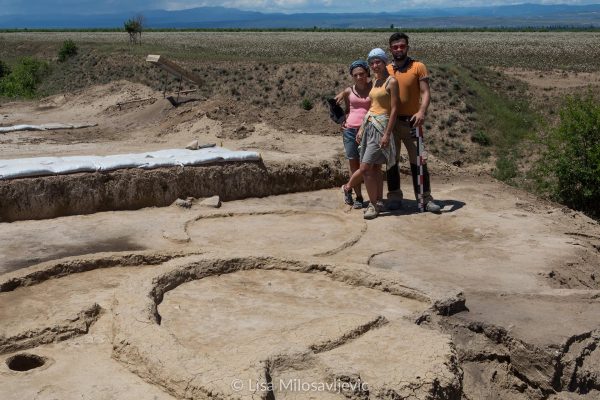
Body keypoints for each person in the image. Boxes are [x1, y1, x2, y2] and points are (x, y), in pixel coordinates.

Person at [386, 32, 441, 213]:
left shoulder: (418, 67)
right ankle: (394, 196)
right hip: (391, 123)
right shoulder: (386, 70)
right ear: (390, 49)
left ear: (407, 47)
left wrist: (421, 111)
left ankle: (425, 199)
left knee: (419, 160)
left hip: (412, 122)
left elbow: (425, 92)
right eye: (395, 47)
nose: (399, 49)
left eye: (402, 46)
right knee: (391, 160)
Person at [341, 48, 398, 220]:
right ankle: (376, 201)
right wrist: (362, 128)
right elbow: (368, 105)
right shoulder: (376, 81)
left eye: (378, 62)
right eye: (372, 63)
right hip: (369, 126)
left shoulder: (391, 82)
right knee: (371, 168)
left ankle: (372, 203)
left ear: (384, 62)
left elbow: (394, 109)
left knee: (366, 168)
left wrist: (387, 133)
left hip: (381, 127)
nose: (375, 65)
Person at [337, 60, 372, 209]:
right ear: (352, 76)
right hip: (350, 131)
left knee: (368, 165)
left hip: (369, 130)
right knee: (354, 164)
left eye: (362, 74)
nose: (359, 77)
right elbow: (347, 110)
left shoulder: (374, 87)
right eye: (355, 75)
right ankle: (358, 197)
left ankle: (348, 187)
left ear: (367, 73)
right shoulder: (348, 91)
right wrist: (342, 121)